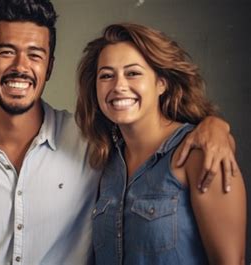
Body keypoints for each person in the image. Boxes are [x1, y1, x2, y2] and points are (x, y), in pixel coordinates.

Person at [0, 1, 237, 264]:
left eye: (35, 54)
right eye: (6, 51)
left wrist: (214, 126)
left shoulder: (88, 143)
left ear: (49, 66)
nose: (21, 66)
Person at [75, 23, 246, 264]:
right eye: (106, 75)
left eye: (133, 73)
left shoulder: (201, 154)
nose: (118, 86)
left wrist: (217, 126)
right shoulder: (105, 162)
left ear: (161, 83)